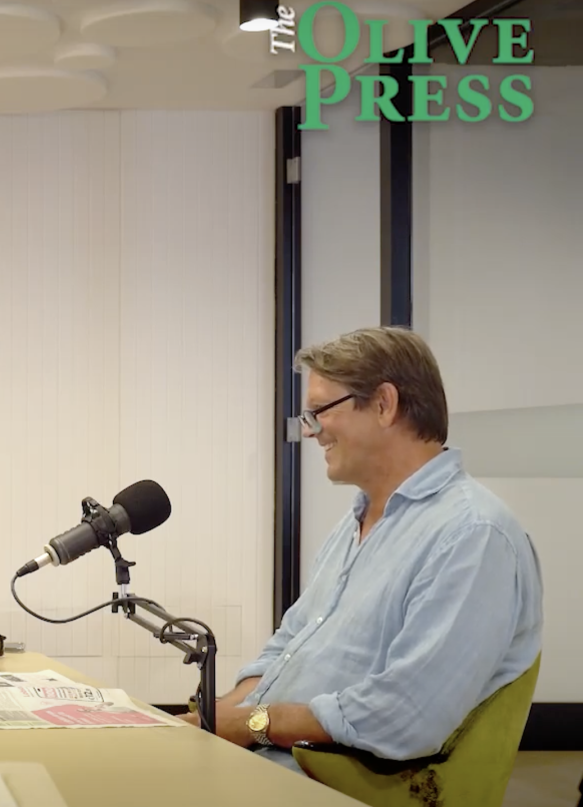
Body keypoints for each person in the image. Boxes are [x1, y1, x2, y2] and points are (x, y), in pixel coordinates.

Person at [181, 327, 542, 770]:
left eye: (319, 412)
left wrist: (254, 723)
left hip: (332, 787)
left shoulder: (473, 535)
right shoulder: (356, 524)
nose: (310, 431)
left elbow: (407, 714)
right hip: (267, 758)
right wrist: (215, 719)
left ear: (384, 404)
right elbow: (288, 646)